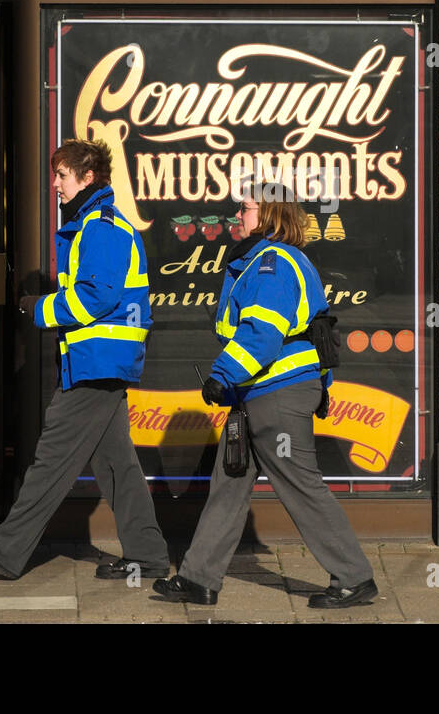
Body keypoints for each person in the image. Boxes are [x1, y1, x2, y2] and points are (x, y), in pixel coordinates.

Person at [0, 139, 168, 581]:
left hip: (96, 365)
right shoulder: (94, 224)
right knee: (117, 465)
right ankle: (147, 555)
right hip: (99, 363)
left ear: (88, 178)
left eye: (62, 175)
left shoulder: (101, 228)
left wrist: (39, 309)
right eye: (55, 175)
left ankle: (6, 551)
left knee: (51, 459)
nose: (55, 184)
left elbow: (95, 297)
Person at [153, 191, 377, 609]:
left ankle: (354, 577)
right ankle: (198, 578)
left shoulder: (273, 263)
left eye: (245, 208)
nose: (236, 214)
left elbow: (263, 333)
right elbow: (314, 333)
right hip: (261, 392)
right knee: (228, 485)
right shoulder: (262, 260)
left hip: (275, 392)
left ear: (270, 214)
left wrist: (223, 376)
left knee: (299, 486)